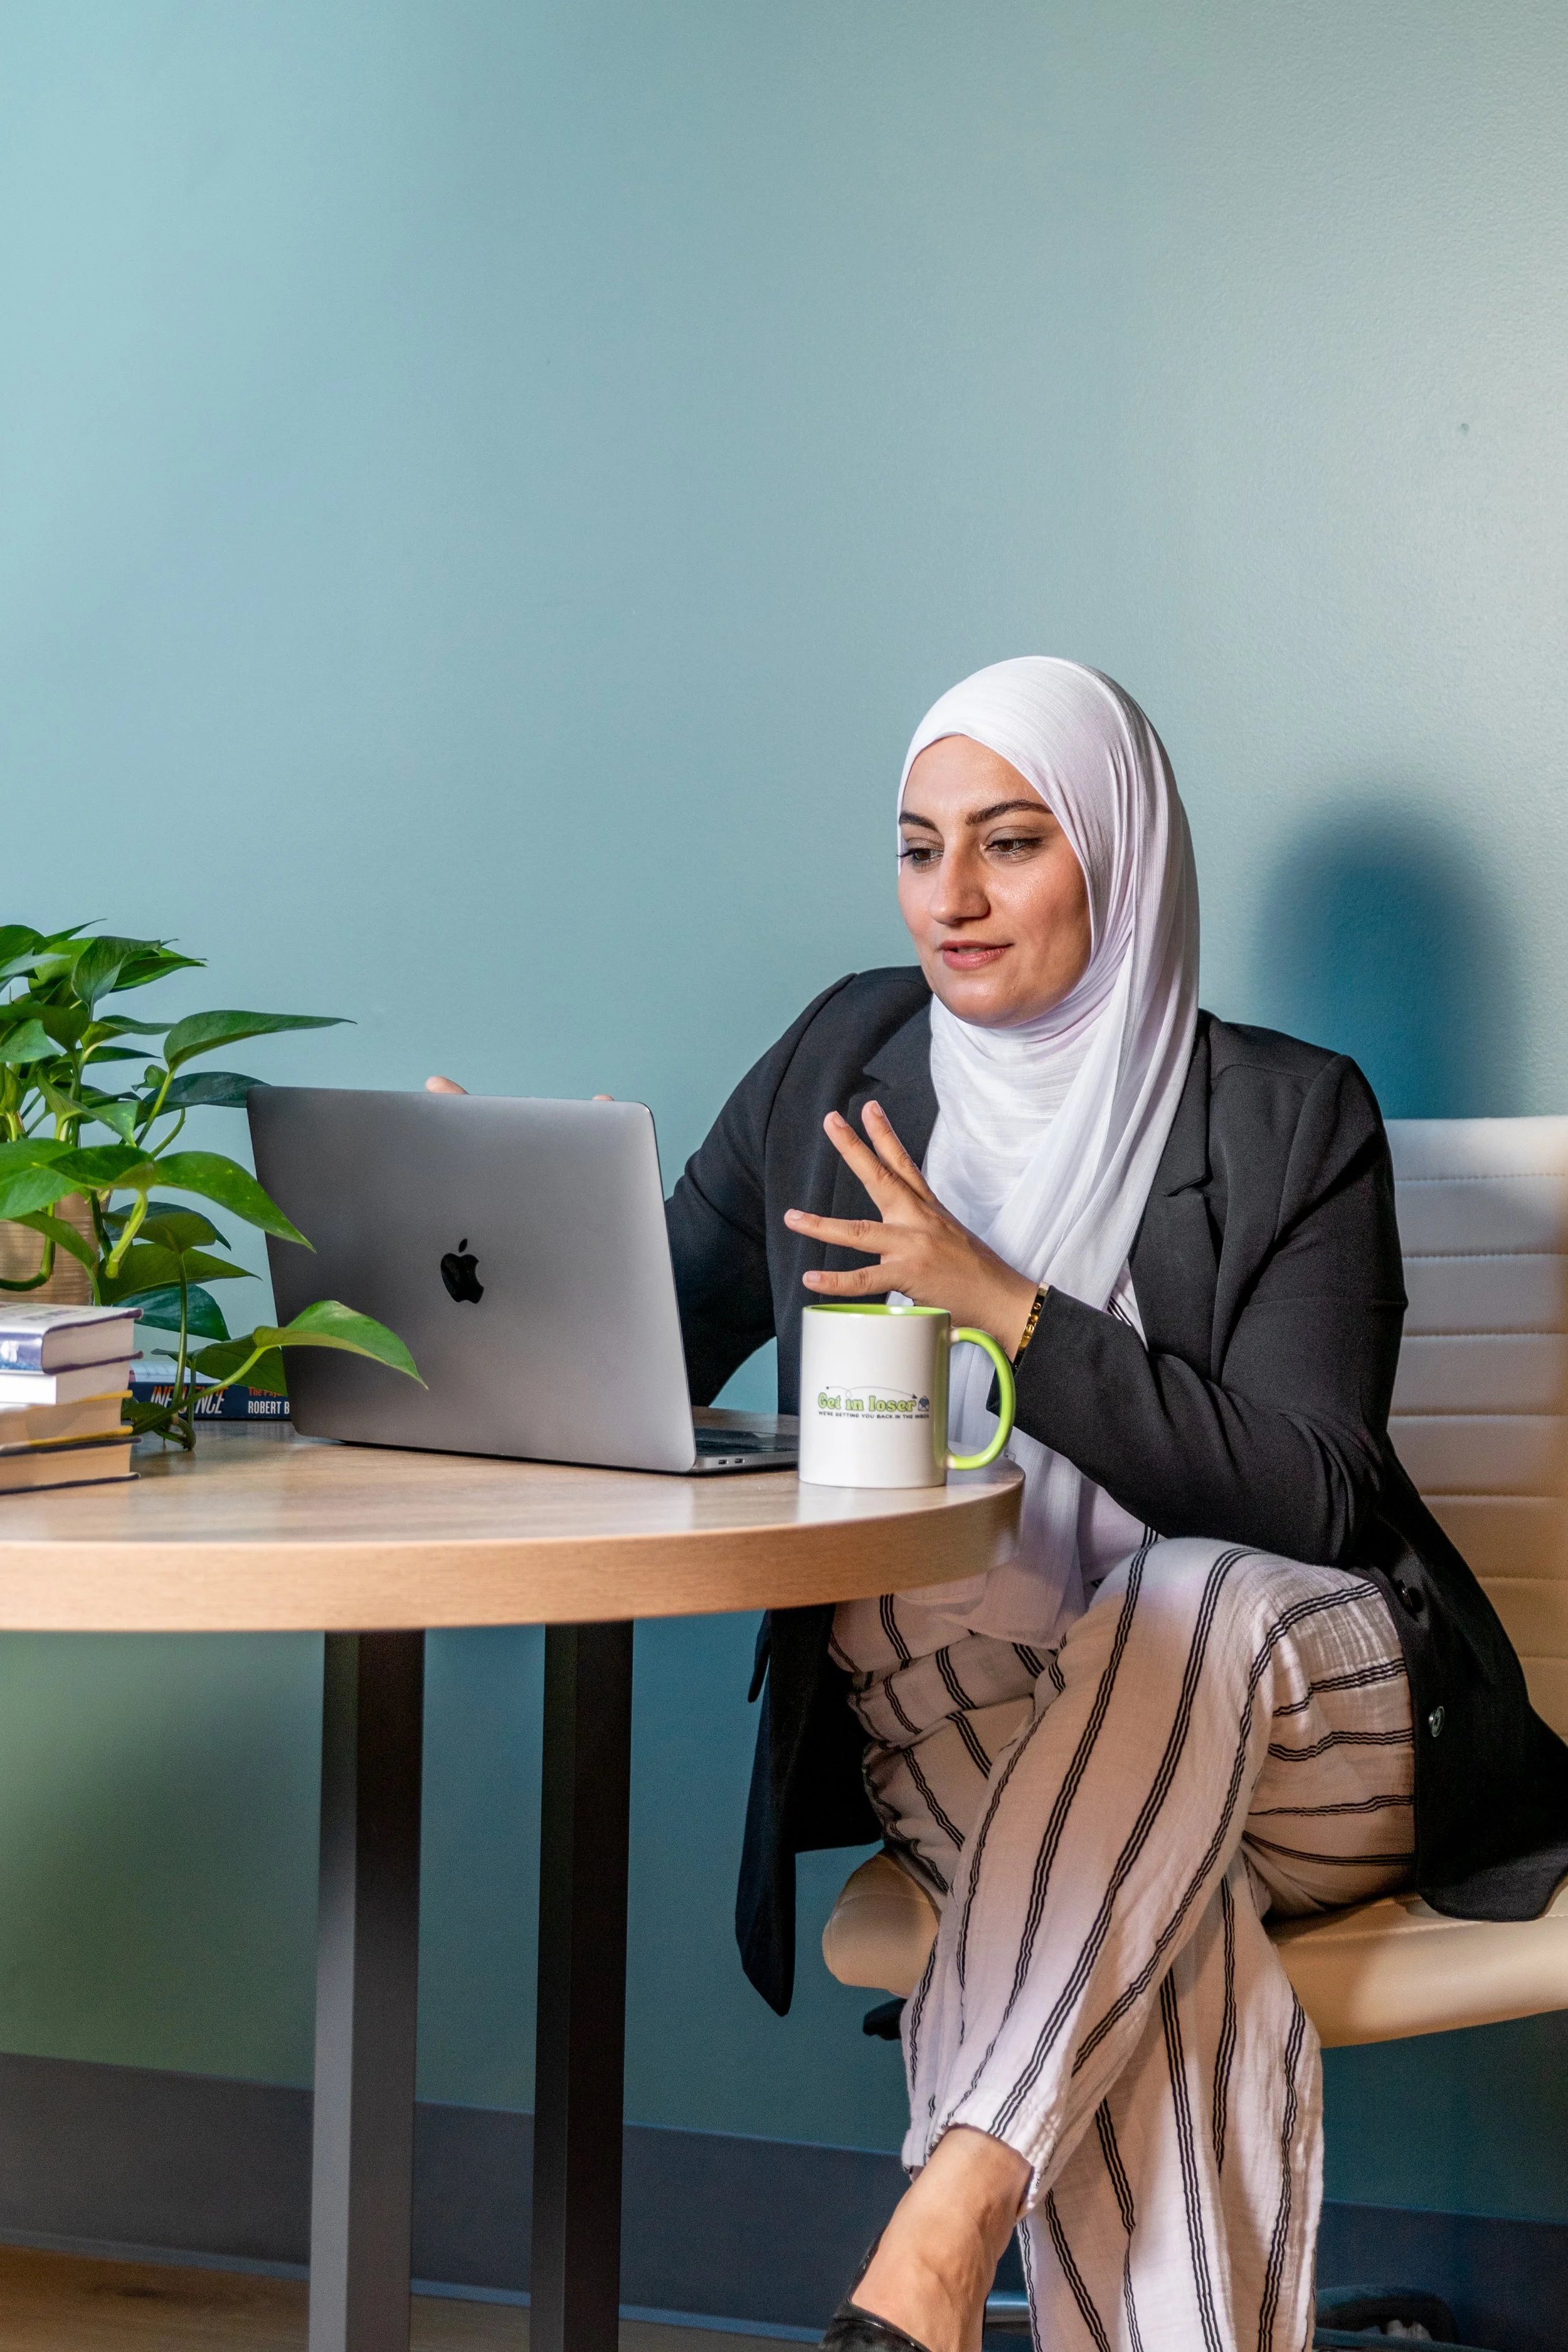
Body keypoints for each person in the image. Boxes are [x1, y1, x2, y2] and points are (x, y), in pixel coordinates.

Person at [433, 658, 1568, 2352]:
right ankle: (950, 2258)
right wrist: (515, 1234)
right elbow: (650, 1336)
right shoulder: (843, 1058)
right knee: (1161, 1954)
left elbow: (1314, 1496)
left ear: (1116, 856)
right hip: (964, 1721)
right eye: (916, 846)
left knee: (1178, 1600)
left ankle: (951, 2208)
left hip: (1317, 1722)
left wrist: (1008, 1312)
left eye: (1011, 842)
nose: (949, 898)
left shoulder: (1282, 1112)